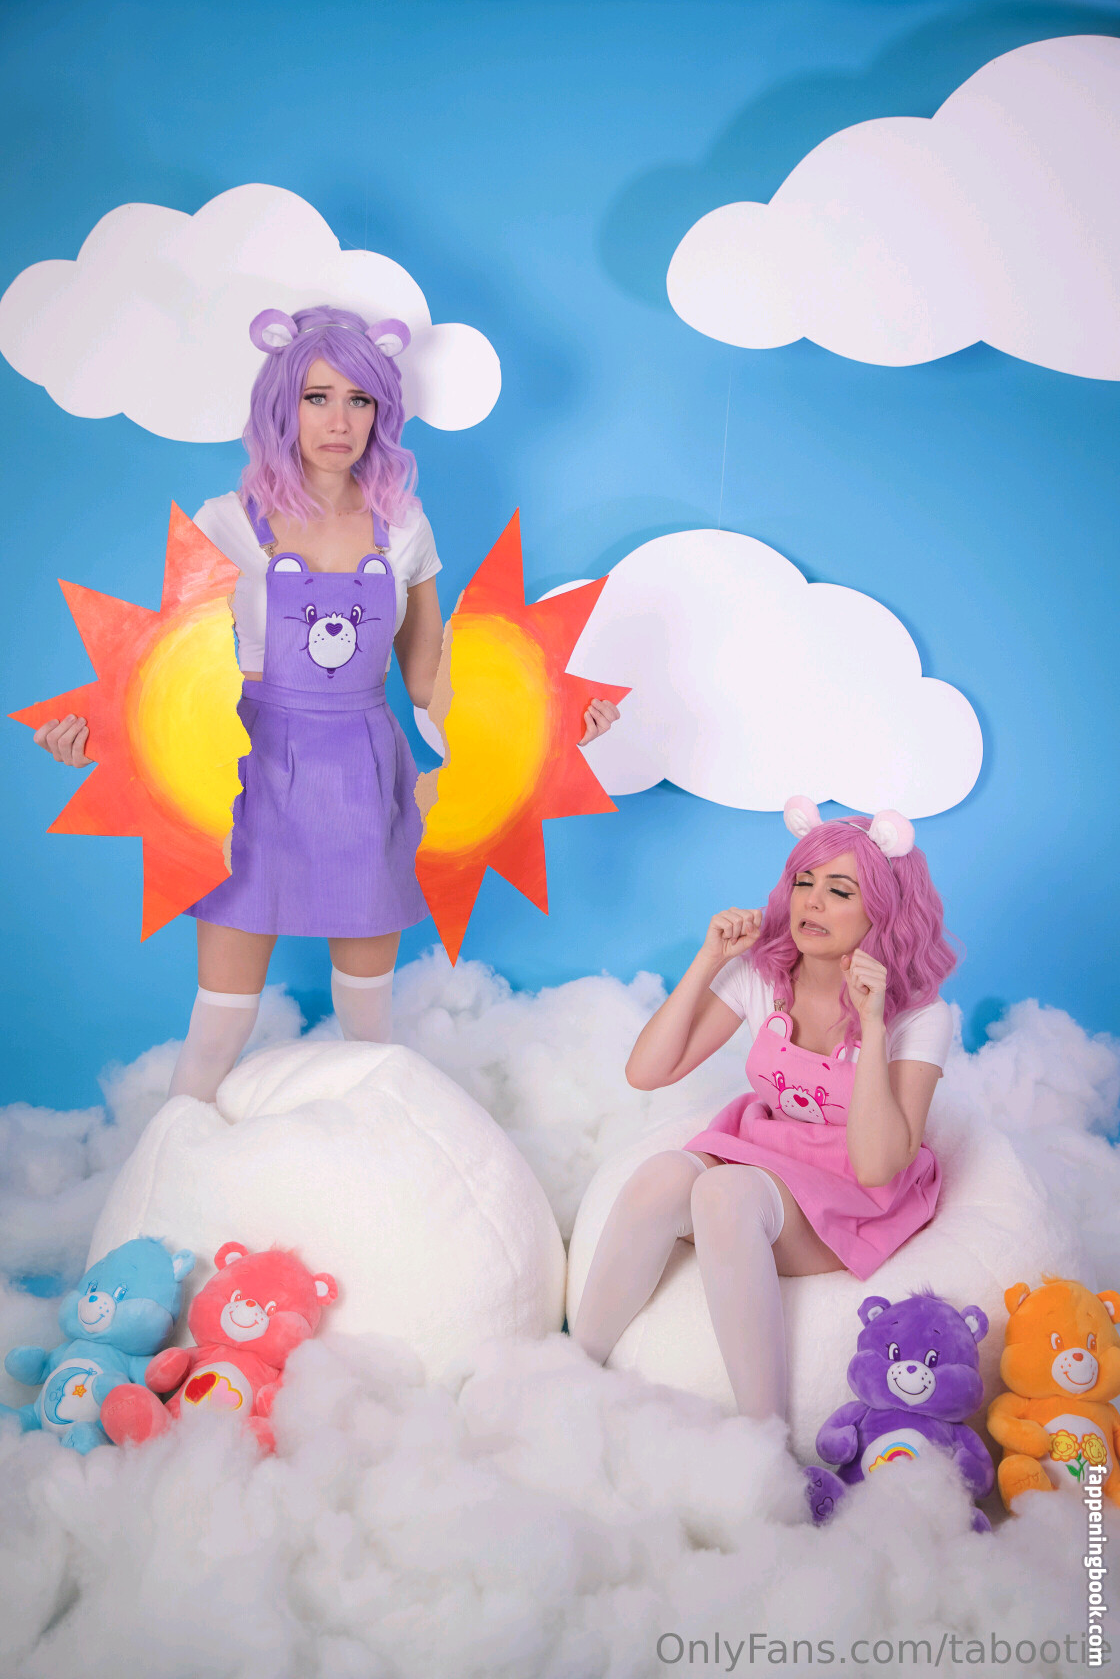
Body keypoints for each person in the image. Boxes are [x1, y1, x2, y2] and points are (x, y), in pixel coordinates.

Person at [35, 303, 620, 1098]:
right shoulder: (223, 524)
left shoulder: (403, 527)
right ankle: (174, 1155)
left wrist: (551, 728)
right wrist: (95, 737)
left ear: (382, 412)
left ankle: (369, 1164)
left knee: (368, 1031)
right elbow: (169, 675)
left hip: (363, 778)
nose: (339, 421)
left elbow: (429, 680)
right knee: (219, 1022)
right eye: (317, 397)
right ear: (284, 404)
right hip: (247, 777)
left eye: (359, 399)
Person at [571, 796, 956, 1423]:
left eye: (840, 891)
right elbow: (648, 1071)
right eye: (804, 881)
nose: (812, 902)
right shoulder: (764, 973)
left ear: (883, 912)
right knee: (663, 1175)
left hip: (853, 1191)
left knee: (725, 1195)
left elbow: (877, 1164)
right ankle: (570, 1370)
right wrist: (710, 960)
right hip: (767, 1152)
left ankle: (763, 1433)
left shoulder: (920, 1014)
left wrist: (873, 1025)